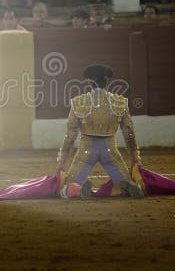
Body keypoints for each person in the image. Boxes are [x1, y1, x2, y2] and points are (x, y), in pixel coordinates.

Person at [56, 64, 146, 199]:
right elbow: (129, 134)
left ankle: (77, 189)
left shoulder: (79, 102)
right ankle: (129, 185)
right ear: (107, 81)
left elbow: (70, 136)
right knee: (125, 183)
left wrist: (61, 163)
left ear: (88, 81)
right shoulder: (119, 102)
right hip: (110, 150)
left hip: (86, 151)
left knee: (64, 189)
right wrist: (135, 160)